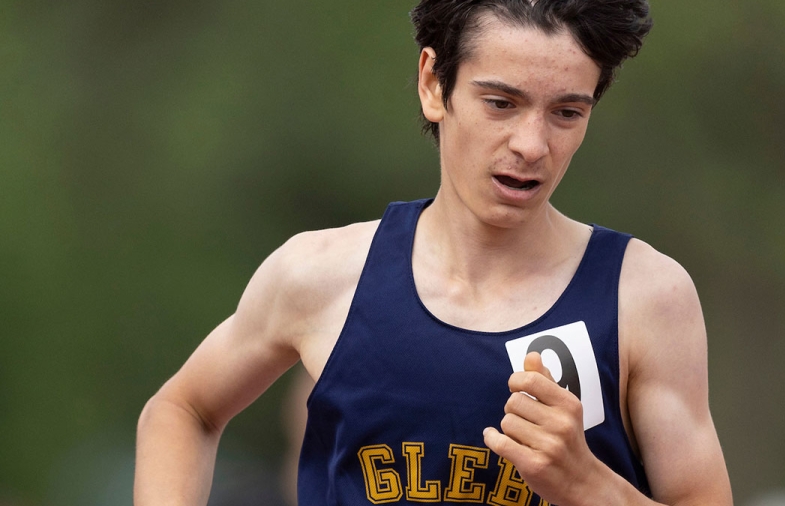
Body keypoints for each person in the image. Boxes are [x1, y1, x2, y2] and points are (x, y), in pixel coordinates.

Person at [135, 1, 733, 505]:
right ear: (432, 83)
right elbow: (182, 410)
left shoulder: (644, 296)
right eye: (500, 103)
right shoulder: (321, 275)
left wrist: (591, 488)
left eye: (566, 113)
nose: (531, 145)